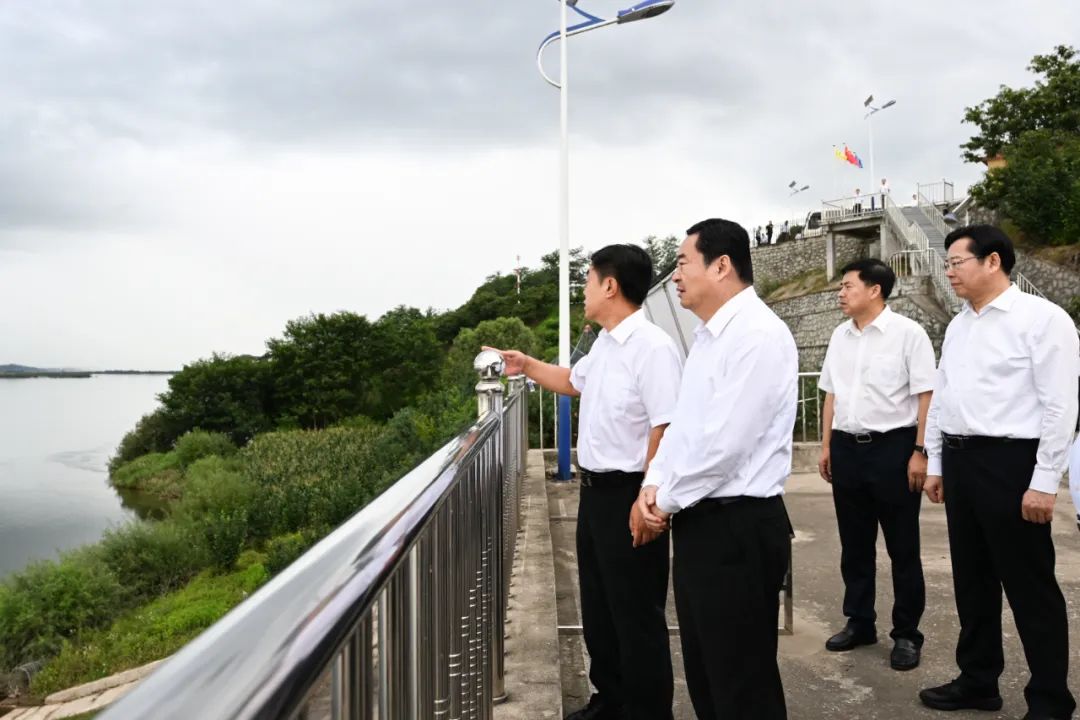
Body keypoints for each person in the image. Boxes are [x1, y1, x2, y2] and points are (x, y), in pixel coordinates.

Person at [489, 244, 684, 720]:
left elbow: (666, 426)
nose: (584, 292)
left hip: (630, 493)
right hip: (594, 494)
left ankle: (646, 711)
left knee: (636, 615)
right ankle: (610, 700)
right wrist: (525, 365)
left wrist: (648, 497)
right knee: (600, 609)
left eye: (589, 281)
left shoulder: (653, 347)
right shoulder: (606, 345)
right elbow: (572, 382)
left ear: (610, 286)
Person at [637, 218, 797, 720]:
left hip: (738, 528)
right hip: (702, 522)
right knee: (707, 675)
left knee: (741, 684)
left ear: (721, 265)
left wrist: (661, 502)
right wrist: (653, 483)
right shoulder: (708, 338)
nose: (676, 276)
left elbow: (724, 446)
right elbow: (683, 427)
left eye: (683, 262)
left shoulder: (758, 335)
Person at [919, 225, 1079, 719]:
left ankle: (1050, 701)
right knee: (972, 581)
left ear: (993, 261)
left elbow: (1061, 406)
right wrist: (936, 462)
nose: (949, 272)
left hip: (1011, 464)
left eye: (956, 262)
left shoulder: (1042, 319)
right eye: (947, 263)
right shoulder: (958, 325)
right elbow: (944, 397)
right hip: (961, 462)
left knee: (1030, 586)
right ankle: (978, 680)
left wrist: (1044, 482)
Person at [817, 259, 936, 672]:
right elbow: (830, 393)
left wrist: (920, 450)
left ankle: (906, 634)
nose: (840, 293)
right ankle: (860, 621)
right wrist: (826, 445)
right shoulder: (840, 335)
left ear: (874, 290)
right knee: (854, 544)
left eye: (848, 285)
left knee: (903, 546)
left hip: (894, 449)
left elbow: (926, 395)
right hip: (847, 448)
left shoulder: (908, 333)